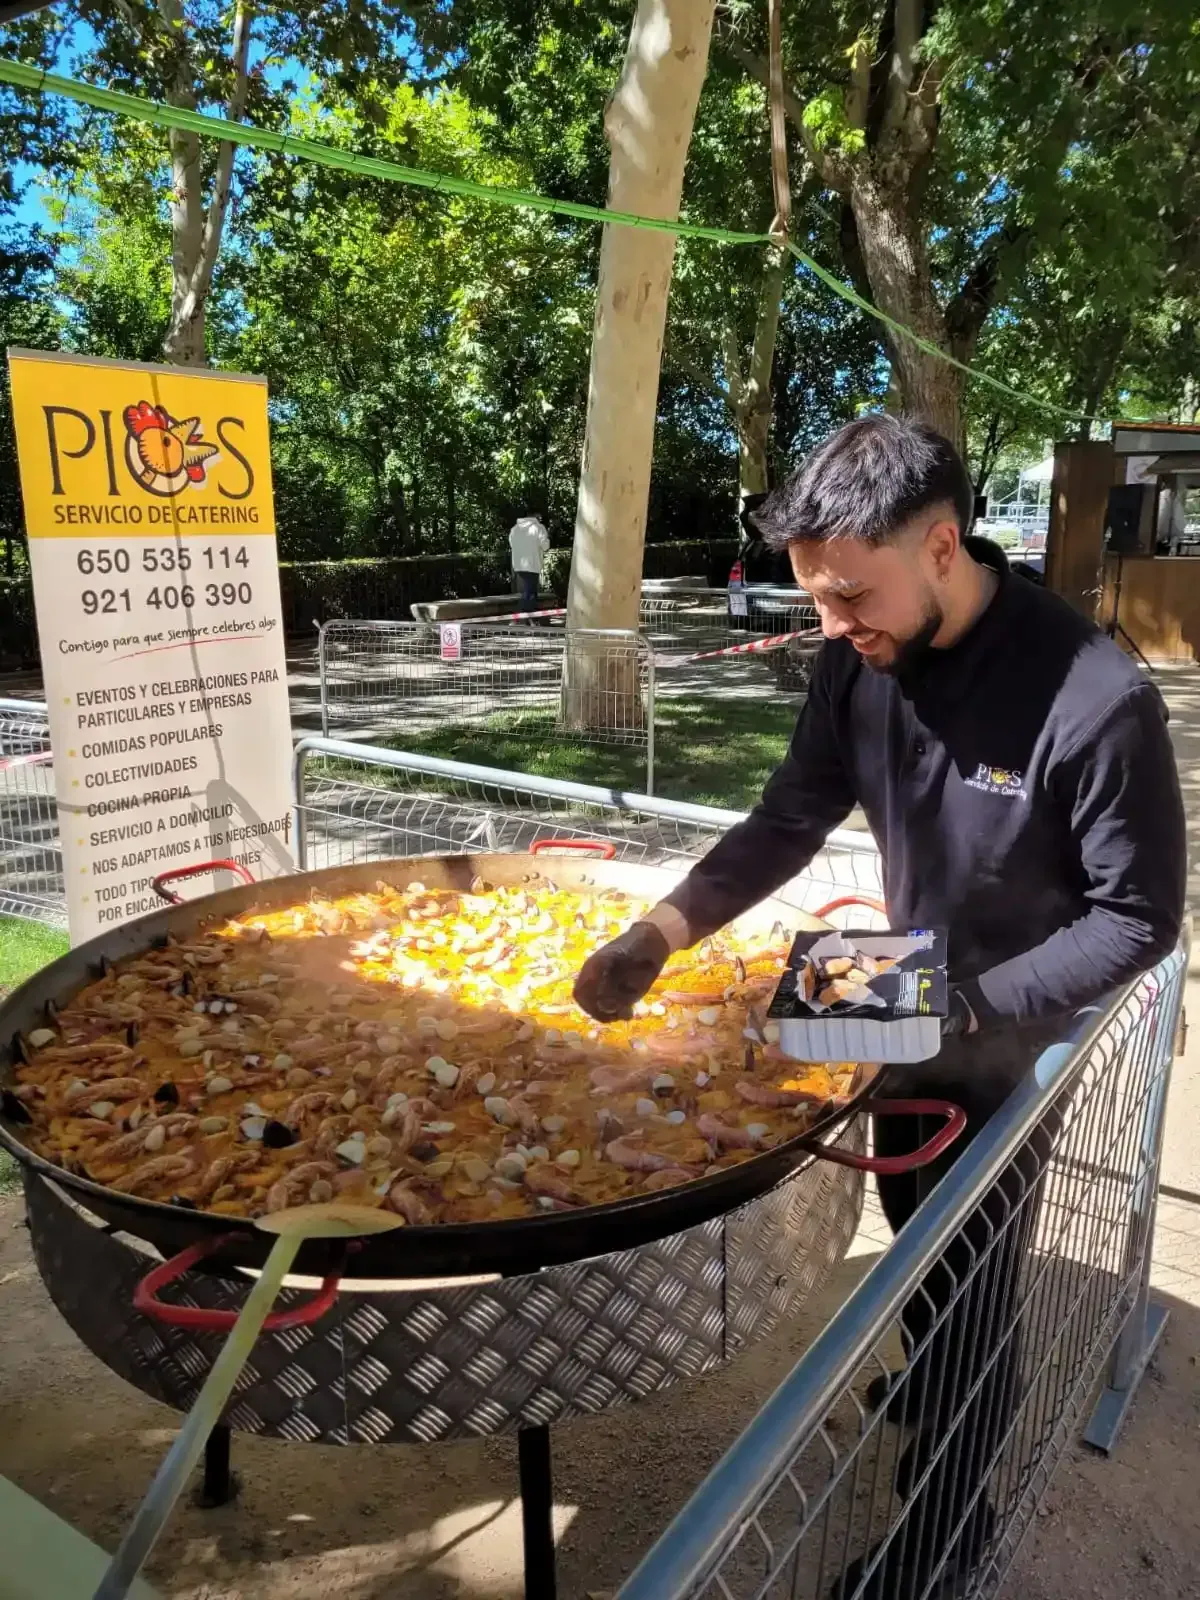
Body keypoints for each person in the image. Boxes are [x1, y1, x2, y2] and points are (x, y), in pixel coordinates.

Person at [573, 414, 1185, 1597]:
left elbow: (1138, 919)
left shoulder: (1096, 697)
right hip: (902, 985)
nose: (831, 625)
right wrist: (659, 932)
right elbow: (787, 818)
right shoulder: (857, 661)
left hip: (1013, 1032)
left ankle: (947, 1531)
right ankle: (928, 1361)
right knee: (908, 1226)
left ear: (942, 547)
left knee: (973, 1283)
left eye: (851, 594)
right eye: (816, 597)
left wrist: (968, 1006)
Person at [508, 510, 550, 609]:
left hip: (518, 565)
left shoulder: (515, 529)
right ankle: (522, 612)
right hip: (533, 564)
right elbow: (545, 546)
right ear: (535, 516)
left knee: (531, 590)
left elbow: (512, 544)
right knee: (529, 591)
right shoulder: (539, 528)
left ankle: (532, 614)